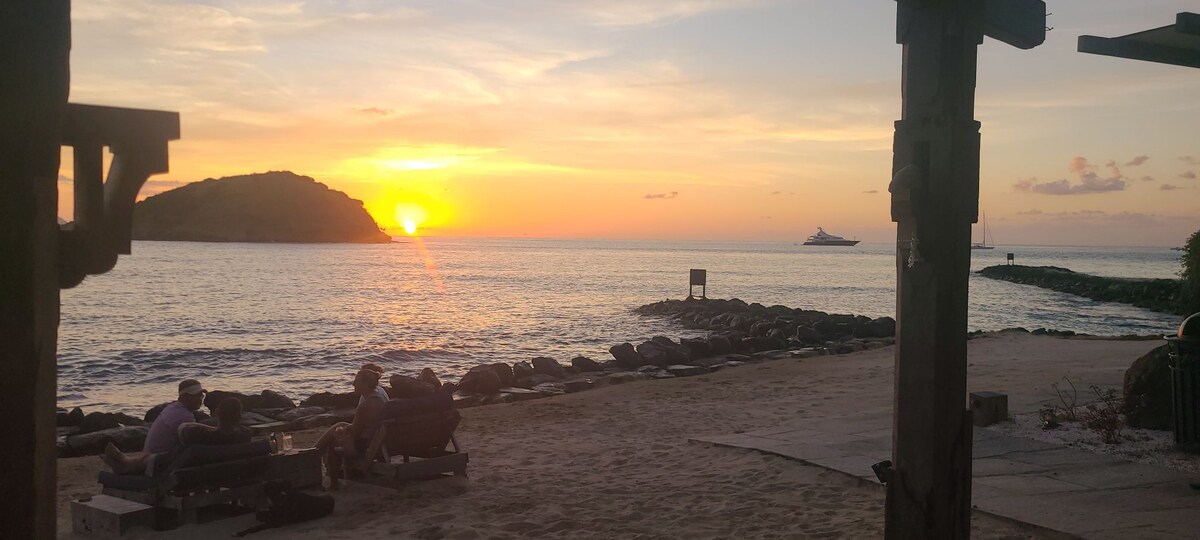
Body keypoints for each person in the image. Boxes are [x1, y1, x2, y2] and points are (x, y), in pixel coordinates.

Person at [102, 378, 206, 475]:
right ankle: (128, 463)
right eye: (197, 395)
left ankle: (127, 461)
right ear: (185, 397)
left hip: (150, 455)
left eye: (201, 395)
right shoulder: (184, 416)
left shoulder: (172, 408)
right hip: (156, 461)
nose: (200, 399)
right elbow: (192, 443)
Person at [314, 367, 387, 490]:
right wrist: (346, 428)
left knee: (333, 443)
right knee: (340, 425)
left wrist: (344, 432)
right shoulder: (380, 394)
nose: (353, 384)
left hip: (367, 445)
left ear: (366, 384)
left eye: (357, 381)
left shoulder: (366, 405)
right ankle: (315, 450)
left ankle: (332, 483)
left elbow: (355, 433)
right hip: (380, 440)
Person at [178, 397, 252, 446]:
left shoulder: (200, 436)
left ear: (216, 413)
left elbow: (183, 427)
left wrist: (209, 428)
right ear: (240, 417)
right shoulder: (245, 435)